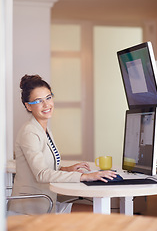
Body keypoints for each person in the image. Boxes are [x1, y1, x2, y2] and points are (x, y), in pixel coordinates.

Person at [9, 74, 116, 215]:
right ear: (28, 106)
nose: (46, 104)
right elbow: (41, 174)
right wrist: (85, 176)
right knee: (97, 215)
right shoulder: (29, 132)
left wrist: (66, 169)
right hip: (32, 211)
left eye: (48, 97)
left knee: (98, 212)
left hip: (47, 203)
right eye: (38, 101)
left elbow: (44, 165)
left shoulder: (43, 129)